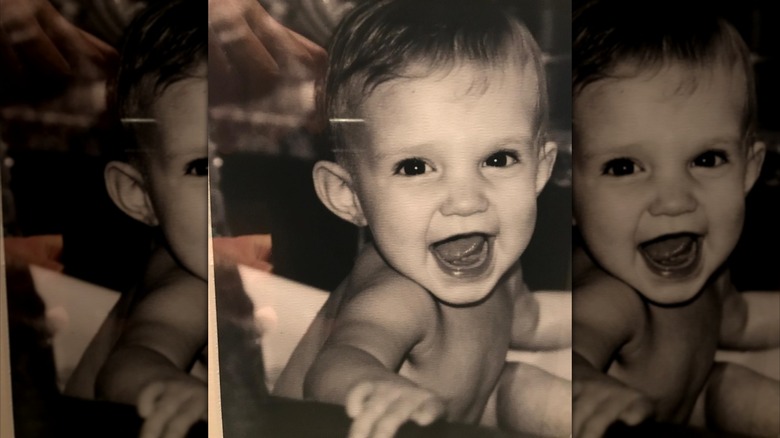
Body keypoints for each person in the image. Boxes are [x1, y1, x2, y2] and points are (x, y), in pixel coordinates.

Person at [273, 1, 571, 437]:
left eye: (498, 158)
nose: (467, 201)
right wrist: (378, 388)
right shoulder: (397, 295)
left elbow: (532, 322)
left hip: (458, 410)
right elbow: (337, 366)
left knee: (532, 392)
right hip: (307, 427)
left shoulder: (501, 266)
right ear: (349, 195)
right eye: (415, 167)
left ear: (540, 170)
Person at [571, 1, 780, 436]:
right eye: (624, 167)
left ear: (749, 169)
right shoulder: (613, 300)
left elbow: (741, 322)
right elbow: (566, 355)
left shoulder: (713, 273)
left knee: (734, 388)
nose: (673, 201)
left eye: (706, 159)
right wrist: (587, 389)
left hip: (695, 400)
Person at [64, 1, 208, 438]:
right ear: (140, 196)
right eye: (201, 168)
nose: (232, 196)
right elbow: (132, 361)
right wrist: (167, 386)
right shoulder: (188, 281)